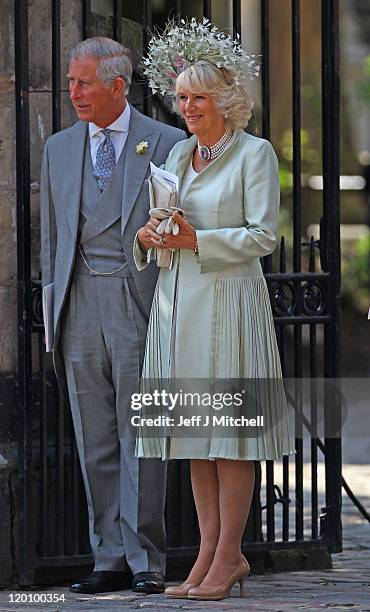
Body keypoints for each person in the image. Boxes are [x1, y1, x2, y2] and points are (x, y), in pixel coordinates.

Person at [134, 19, 295, 601]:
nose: (188, 107)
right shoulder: (177, 152)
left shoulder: (254, 154)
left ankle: (228, 556)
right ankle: (207, 552)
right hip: (178, 307)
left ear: (225, 99)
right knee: (194, 437)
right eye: (181, 98)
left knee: (229, 436)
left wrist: (195, 242)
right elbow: (162, 216)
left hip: (229, 307)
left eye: (198, 97)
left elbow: (263, 236)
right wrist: (151, 236)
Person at [40, 37, 186, 595]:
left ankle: (147, 560)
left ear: (118, 86)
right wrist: (55, 307)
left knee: (142, 435)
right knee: (93, 434)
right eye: (71, 82)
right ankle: (109, 559)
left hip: (139, 304)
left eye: (83, 83)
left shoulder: (167, 142)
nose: (73, 92)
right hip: (78, 306)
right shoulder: (58, 147)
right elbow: (54, 240)